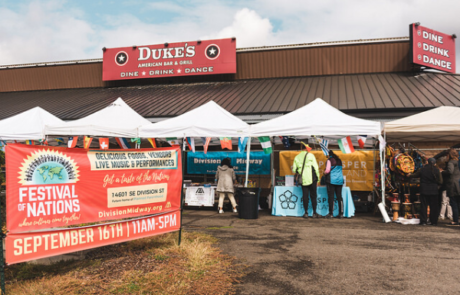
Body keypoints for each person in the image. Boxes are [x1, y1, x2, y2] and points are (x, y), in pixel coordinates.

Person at [410, 158, 442, 225]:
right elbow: (440, 181)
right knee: (434, 207)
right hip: (434, 190)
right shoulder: (437, 170)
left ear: (427, 162)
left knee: (423, 206)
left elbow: (414, 175)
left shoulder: (422, 170)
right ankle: (433, 221)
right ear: (434, 163)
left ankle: (423, 221)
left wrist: (408, 175)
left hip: (424, 190)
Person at [292, 142, 320, 218]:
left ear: (301, 148)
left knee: (305, 196)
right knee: (313, 195)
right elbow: (316, 168)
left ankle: (306, 213)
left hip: (303, 179)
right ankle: (314, 213)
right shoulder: (311, 155)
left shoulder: (297, 157)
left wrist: (300, 170)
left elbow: (294, 169)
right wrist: (318, 178)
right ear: (307, 148)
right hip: (312, 178)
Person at [323, 150, 344, 219]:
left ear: (328, 155)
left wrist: (324, 172)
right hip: (340, 180)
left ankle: (331, 213)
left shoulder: (329, 160)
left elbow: (327, 170)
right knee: (339, 197)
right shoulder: (339, 160)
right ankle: (341, 213)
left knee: (331, 197)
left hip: (332, 180)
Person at [444, 149, 460, 226]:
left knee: (454, 203)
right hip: (458, 183)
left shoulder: (451, 162)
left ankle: (455, 220)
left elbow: (450, 171)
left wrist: (442, 171)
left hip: (453, 185)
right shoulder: (458, 162)